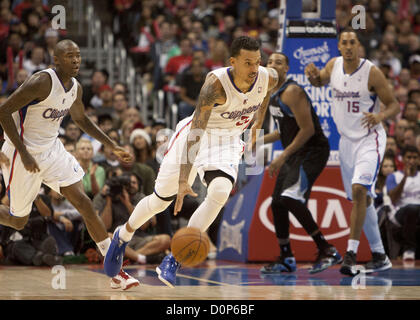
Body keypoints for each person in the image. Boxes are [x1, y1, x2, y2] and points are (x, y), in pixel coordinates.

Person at [104, 36, 279, 286]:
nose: (254, 69)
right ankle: (123, 235)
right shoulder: (215, 85)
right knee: (160, 201)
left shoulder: (268, 77)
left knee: (220, 192)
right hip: (196, 136)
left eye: (257, 62)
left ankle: (174, 259)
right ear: (233, 62)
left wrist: (258, 126)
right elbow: (196, 133)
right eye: (248, 63)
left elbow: (266, 94)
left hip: (227, 141)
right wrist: (185, 179)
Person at [0, 39, 138, 289]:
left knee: (84, 202)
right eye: (69, 56)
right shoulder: (41, 82)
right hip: (22, 151)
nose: (75, 61)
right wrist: (24, 152)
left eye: (78, 56)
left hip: (52, 150)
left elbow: (82, 119)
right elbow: (3, 111)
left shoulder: (75, 87)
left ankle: (115, 270)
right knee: (17, 220)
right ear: (56, 59)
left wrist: (111, 145)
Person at [305, 28, 400, 276]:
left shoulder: (372, 72)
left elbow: (394, 105)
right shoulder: (334, 65)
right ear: (339, 46)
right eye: (344, 42)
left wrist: (380, 115)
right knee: (362, 198)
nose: (348, 46)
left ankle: (351, 254)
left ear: (359, 46)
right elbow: (320, 81)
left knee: (359, 190)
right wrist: (313, 76)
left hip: (370, 139)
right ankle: (380, 255)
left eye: (353, 42)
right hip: (346, 142)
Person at [258, 52, 342, 275]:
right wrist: (256, 140)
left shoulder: (292, 91)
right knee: (277, 202)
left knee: (290, 197)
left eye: (278, 62)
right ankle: (286, 258)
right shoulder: (273, 94)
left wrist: (282, 156)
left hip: (312, 150)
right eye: (269, 62)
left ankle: (328, 250)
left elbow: (307, 130)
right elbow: (283, 131)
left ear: (286, 69)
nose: (273, 65)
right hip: (296, 152)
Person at [386, 146, 420, 261]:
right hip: (400, 212)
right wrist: (405, 178)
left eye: (415, 157)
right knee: (412, 209)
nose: (411, 161)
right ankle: (409, 249)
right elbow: (393, 199)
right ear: (402, 159)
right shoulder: (394, 176)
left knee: (416, 209)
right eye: (408, 157)